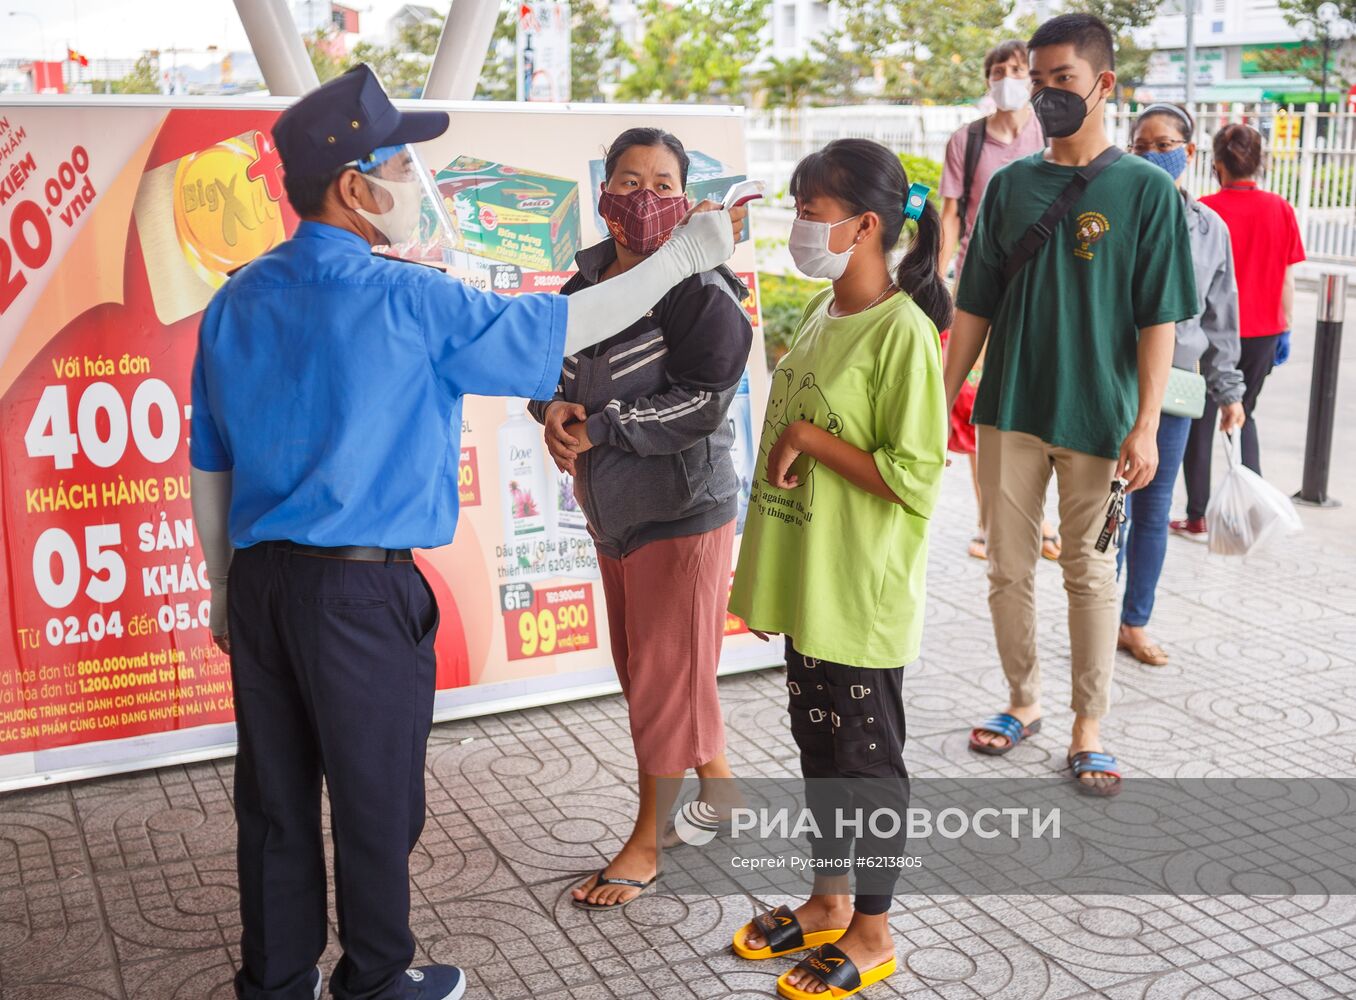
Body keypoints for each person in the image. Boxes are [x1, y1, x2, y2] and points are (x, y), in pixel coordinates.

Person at [189, 65, 745, 1000]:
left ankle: (278, 982)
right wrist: (684, 257)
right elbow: (570, 320)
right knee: (375, 802)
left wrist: (219, 585)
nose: (415, 181)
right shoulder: (410, 299)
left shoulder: (237, 298)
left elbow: (212, 463)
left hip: (260, 587)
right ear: (356, 187)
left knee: (275, 803)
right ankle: (375, 979)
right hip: (361, 596)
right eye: (401, 162)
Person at [945, 15, 1198, 796]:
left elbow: (1159, 317)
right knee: (1008, 572)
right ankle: (1025, 700)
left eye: (1063, 80)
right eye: (1039, 79)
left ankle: (1091, 722)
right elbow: (975, 301)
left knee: (1089, 573)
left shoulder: (1148, 191)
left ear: (1103, 84)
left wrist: (1147, 423)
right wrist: (940, 391)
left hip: (1101, 416)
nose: (1046, 94)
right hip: (1010, 408)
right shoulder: (1013, 185)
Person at [728, 139, 950, 1000]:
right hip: (810, 580)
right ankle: (826, 903)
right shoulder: (825, 313)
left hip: (858, 594)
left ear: (864, 226)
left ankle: (872, 929)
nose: (797, 226)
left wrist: (810, 439)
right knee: (819, 749)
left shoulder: (906, 334)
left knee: (864, 762)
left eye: (810, 210)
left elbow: (916, 476)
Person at [527, 127, 753, 910]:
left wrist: (603, 425)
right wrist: (551, 409)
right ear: (602, 193)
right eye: (630, 180)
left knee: (660, 677)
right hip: (612, 512)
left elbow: (704, 400)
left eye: (663, 184)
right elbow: (545, 366)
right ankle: (719, 789)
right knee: (653, 667)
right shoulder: (583, 283)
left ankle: (647, 845)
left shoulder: (702, 291)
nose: (645, 199)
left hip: (682, 512)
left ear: (687, 202)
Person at [1118, 105, 1247, 666]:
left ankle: (1133, 621)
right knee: (1105, 506)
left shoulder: (1208, 228)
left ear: (1189, 153)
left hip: (1175, 387)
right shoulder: (1114, 214)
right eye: (1140, 146)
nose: (1152, 154)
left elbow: (1221, 317)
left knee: (1152, 509)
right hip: (1112, 379)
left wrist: (1231, 392)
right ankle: (1096, 613)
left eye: (1164, 144)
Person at [939, 39, 1057, 561]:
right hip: (979, 287)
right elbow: (949, 217)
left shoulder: (1051, 134)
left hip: (1044, 290)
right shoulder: (966, 141)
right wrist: (938, 280)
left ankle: (1041, 517)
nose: (1007, 77)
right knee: (981, 405)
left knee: (1040, 400)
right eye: (998, 70)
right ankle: (988, 522)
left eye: (1016, 69)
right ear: (987, 80)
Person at [1171, 123, 1305, 538]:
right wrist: (1286, 327)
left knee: (1200, 421)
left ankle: (1197, 516)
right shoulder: (1280, 208)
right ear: (1258, 161)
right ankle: (1253, 510)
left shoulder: (1205, 213)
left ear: (1215, 164)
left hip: (1210, 335)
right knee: (1245, 414)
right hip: (1265, 332)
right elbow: (1287, 278)